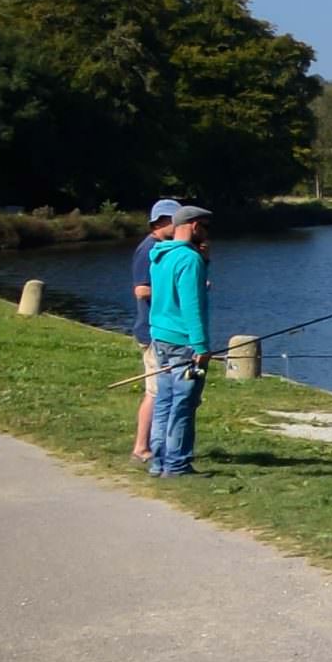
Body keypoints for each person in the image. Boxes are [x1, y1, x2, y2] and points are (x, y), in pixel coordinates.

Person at [146, 205, 213, 477]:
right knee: (183, 404)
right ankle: (177, 465)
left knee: (164, 400)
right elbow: (191, 305)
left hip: (159, 336)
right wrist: (201, 345)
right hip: (183, 342)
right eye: (205, 227)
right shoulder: (189, 259)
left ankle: (158, 461)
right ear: (195, 226)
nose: (208, 234)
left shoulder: (159, 254)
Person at [128, 199, 181, 462]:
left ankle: (162, 445)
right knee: (155, 391)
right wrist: (174, 289)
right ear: (160, 222)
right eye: (175, 220)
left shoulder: (166, 248)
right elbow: (141, 289)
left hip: (164, 330)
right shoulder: (148, 249)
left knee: (166, 391)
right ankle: (141, 447)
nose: (180, 225)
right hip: (151, 331)